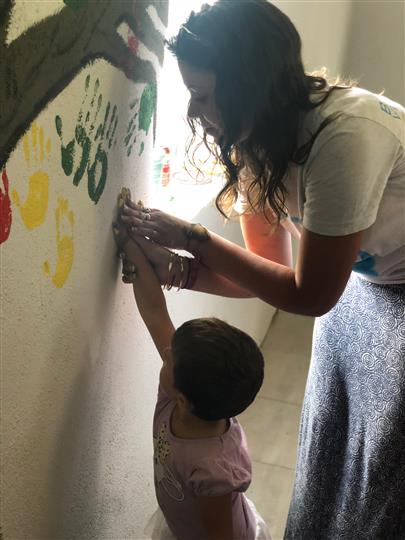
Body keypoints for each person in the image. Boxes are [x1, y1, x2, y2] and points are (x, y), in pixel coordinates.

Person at [118, 1, 405, 537]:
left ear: (251, 85)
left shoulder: (345, 136)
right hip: (362, 283)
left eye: (204, 96)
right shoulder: (256, 137)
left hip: (391, 290)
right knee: (332, 439)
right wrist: (179, 269)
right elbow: (268, 270)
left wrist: (191, 238)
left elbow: (310, 294)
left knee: (383, 469)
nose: (198, 114)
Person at [112, 216, 271, 540]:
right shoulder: (188, 391)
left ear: (183, 399)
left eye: (171, 358)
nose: (166, 352)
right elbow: (156, 312)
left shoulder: (212, 470)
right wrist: (131, 245)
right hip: (184, 522)